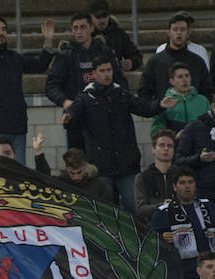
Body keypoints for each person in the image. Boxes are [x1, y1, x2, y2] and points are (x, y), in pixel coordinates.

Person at [63, 55, 175, 213]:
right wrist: (68, 118)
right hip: (100, 166)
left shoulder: (121, 93)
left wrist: (159, 105)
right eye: (102, 71)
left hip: (126, 164)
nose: (107, 74)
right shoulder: (85, 98)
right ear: (94, 73)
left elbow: (143, 107)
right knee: (107, 210)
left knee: (134, 207)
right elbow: (73, 117)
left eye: (109, 70)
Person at [0, 16, 56, 162]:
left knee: (19, 173)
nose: (1, 32)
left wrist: (48, 40)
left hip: (17, 125)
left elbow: (40, 65)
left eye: (4, 29)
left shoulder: (14, 57)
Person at [45, 13, 125, 150]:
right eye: (75, 28)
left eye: (82, 27)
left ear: (91, 28)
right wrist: (64, 102)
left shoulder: (104, 52)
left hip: (104, 116)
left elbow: (120, 81)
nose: (79, 31)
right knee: (78, 162)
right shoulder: (66, 56)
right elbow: (51, 85)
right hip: (77, 117)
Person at [148, 167, 215, 278]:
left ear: (195, 185)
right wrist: (161, 237)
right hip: (180, 271)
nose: (187, 186)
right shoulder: (164, 211)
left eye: (190, 182)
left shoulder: (207, 206)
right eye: (182, 183)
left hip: (209, 269)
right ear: (174, 187)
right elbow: (147, 238)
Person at [139, 11, 212, 102]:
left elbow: (207, 90)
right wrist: (156, 108)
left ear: (188, 33)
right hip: (164, 113)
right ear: (169, 32)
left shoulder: (197, 61)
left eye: (182, 29)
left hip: (192, 114)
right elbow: (144, 90)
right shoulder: (156, 61)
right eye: (175, 29)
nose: (179, 33)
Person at [33, 137, 114, 203]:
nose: (76, 177)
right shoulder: (62, 183)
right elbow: (45, 179)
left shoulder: (98, 185)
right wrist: (38, 152)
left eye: (79, 172)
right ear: (67, 170)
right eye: (72, 173)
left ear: (85, 168)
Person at [150, 62, 210, 136]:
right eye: (180, 77)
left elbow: (210, 127)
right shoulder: (164, 102)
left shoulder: (203, 101)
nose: (184, 80)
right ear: (172, 81)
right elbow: (156, 132)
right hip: (174, 145)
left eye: (187, 76)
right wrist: (174, 136)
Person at [134, 130, 175, 224]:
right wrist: (162, 206)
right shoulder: (142, 177)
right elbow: (140, 210)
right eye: (161, 145)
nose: (166, 149)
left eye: (170, 146)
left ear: (173, 150)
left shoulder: (180, 175)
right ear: (153, 149)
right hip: (153, 226)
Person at [88, 0, 141, 73]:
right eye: (98, 17)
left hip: (115, 77)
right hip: (89, 78)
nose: (102, 20)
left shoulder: (119, 34)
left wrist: (132, 62)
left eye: (105, 16)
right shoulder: (84, 34)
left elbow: (137, 56)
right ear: (91, 16)